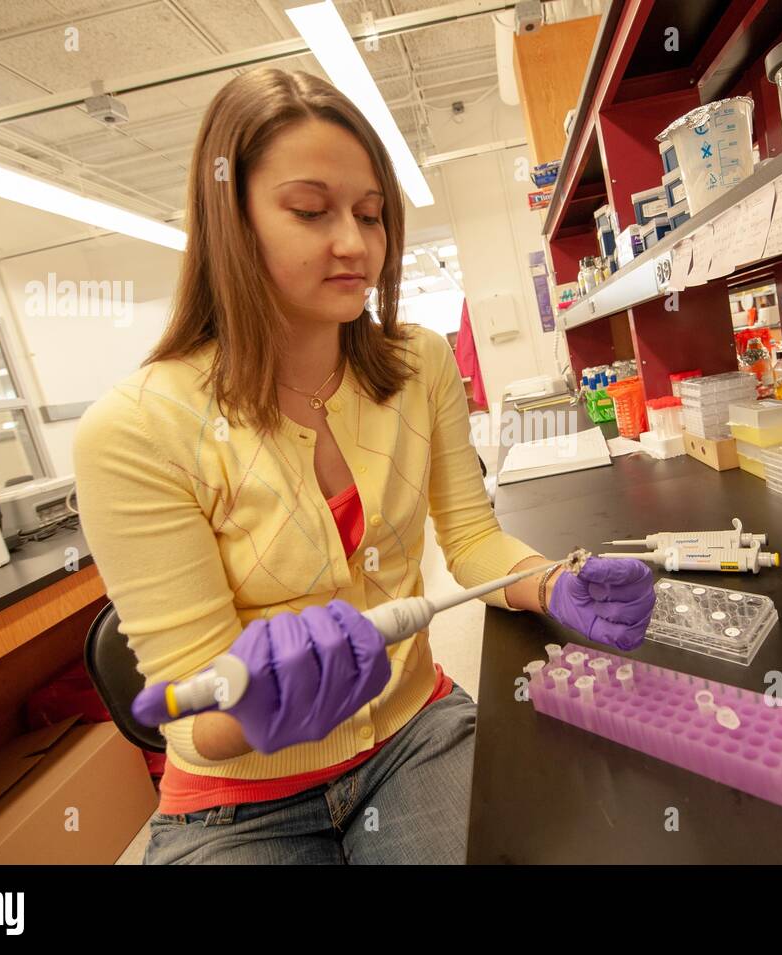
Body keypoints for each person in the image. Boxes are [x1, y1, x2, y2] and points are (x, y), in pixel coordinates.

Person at [72, 67, 656, 865]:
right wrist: (256, 702)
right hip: (237, 807)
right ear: (229, 220)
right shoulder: (135, 430)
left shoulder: (418, 363)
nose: (355, 242)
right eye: (311, 211)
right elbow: (189, 712)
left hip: (413, 734)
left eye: (371, 213)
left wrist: (551, 582)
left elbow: (474, 541)